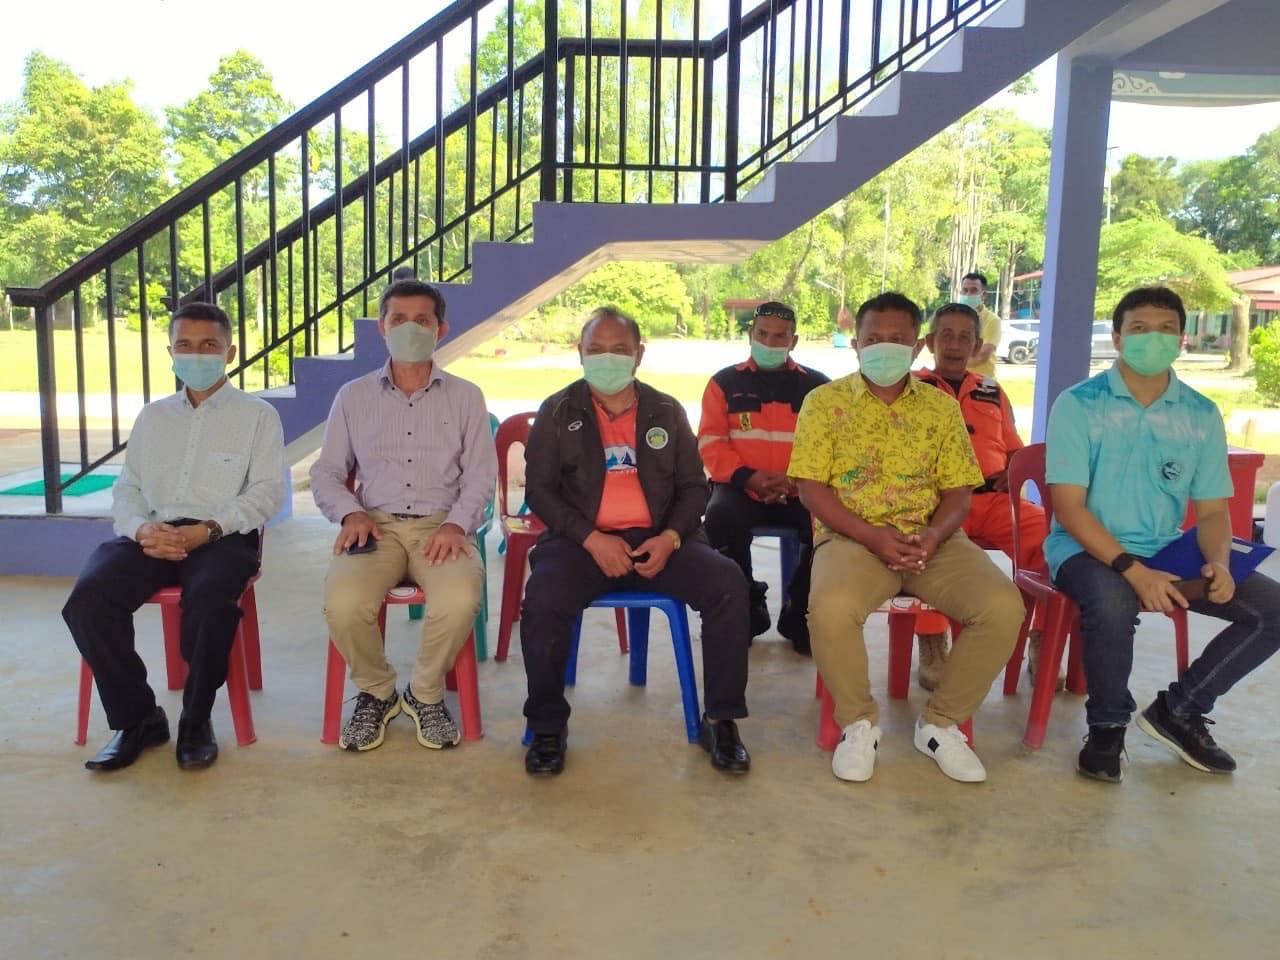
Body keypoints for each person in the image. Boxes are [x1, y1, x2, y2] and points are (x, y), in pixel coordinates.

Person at [1046, 286, 1280, 783]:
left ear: (1181, 339)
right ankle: (1107, 727)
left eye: (1166, 329)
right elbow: (1068, 508)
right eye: (1139, 329)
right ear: (1117, 338)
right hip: (1084, 548)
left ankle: (1181, 709)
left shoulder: (1199, 413)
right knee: (1113, 601)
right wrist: (1134, 571)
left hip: (1167, 547)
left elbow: (1213, 511)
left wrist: (1218, 562)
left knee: (1273, 608)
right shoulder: (1079, 404)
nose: (1153, 339)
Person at [790, 292, 1024, 783]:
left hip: (932, 542)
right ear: (856, 344)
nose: (884, 347)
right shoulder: (824, 403)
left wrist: (934, 535)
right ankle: (858, 724)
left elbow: (958, 491)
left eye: (897, 339)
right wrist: (873, 537)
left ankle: (940, 724)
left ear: (917, 347)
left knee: (1003, 607)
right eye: (873, 338)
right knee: (830, 608)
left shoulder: (940, 408)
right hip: (852, 539)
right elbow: (811, 489)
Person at [520, 306, 751, 776]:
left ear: (639, 354)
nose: (608, 359)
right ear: (580, 353)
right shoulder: (557, 410)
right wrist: (591, 538)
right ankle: (547, 726)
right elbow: (539, 492)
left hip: (660, 538)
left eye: (620, 349)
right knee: (543, 598)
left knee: (728, 583)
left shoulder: (666, 410)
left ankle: (721, 720)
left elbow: (695, 487)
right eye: (596, 349)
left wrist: (670, 538)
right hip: (582, 542)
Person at [63, 302, 286, 772]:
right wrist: (142, 529)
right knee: (88, 601)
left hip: (222, 535)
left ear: (229, 352)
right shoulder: (153, 417)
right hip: (154, 532)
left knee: (209, 603)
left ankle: (196, 719)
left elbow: (267, 492)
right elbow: (128, 488)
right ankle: (139, 719)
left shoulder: (257, 416)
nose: (196, 355)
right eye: (185, 345)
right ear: (170, 352)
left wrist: (207, 530)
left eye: (209, 345)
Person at [311, 279, 496, 752]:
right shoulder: (353, 397)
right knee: (344, 604)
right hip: (375, 526)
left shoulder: (466, 396)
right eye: (398, 319)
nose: (409, 328)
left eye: (422, 320)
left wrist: (457, 524)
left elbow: (481, 475)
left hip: (442, 526)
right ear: (382, 326)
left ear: (441, 329)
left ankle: (424, 693)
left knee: (459, 599)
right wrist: (350, 514)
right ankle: (377, 691)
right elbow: (327, 473)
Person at [909, 303, 1055, 691]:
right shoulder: (911, 387)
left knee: (1052, 537)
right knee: (922, 545)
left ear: (977, 345)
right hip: (935, 503)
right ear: (930, 342)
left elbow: (1014, 447)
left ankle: (1042, 637)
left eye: (965, 337)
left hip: (992, 499)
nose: (955, 345)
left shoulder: (991, 390)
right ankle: (932, 642)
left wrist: (1013, 467)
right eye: (946, 336)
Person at [697, 300, 829, 652]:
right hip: (740, 487)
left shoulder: (819, 387)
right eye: (763, 334)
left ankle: (799, 612)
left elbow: (830, 444)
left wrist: (797, 479)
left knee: (831, 526)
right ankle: (747, 606)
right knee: (719, 520)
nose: (770, 342)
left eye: (780, 336)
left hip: (801, 487)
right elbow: (710, 442)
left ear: (794, 341)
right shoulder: (723, 383)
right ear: (750, 335)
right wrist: (748, 477)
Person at [959, 272, 1001, 379]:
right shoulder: (953, 318)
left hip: (983, 382)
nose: (968, 294)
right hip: (957, 379)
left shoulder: (992, 320)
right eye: (965, 290)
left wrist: (952, 361)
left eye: (973, 290)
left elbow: (981, 356)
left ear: (983, 295)